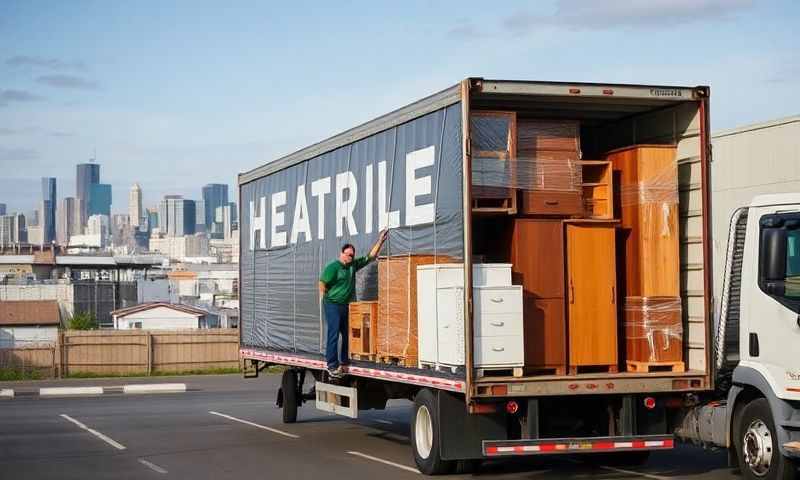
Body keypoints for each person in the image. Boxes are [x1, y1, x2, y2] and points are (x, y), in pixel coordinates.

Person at [319, 230, 389, 377]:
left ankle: (344, 361)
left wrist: (381, 241)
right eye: (349, 255)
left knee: (346, 333)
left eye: (352, 255)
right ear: (342, 253)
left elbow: (371, 257)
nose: (351, 257)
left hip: (346, 306)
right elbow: (322, 283)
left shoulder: (352, 266)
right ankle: (331, 365)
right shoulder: (334, 267)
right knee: (333, 333)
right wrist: (325, 299)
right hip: (332, 304)